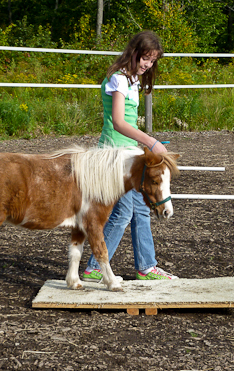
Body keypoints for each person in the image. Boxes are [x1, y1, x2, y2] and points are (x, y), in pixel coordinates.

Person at [83, 31, 178, 282]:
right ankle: (94, 267)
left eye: (153, 60)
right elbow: (117, 122)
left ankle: (146, 266)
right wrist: (151, 141)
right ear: (134, 52)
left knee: (141, 210)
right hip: (114, 156)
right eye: (145, 58)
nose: (148, 64)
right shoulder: (119, 79)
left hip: (127, 154)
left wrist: (143, 145)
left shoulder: (133, 79)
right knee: (123, 213)